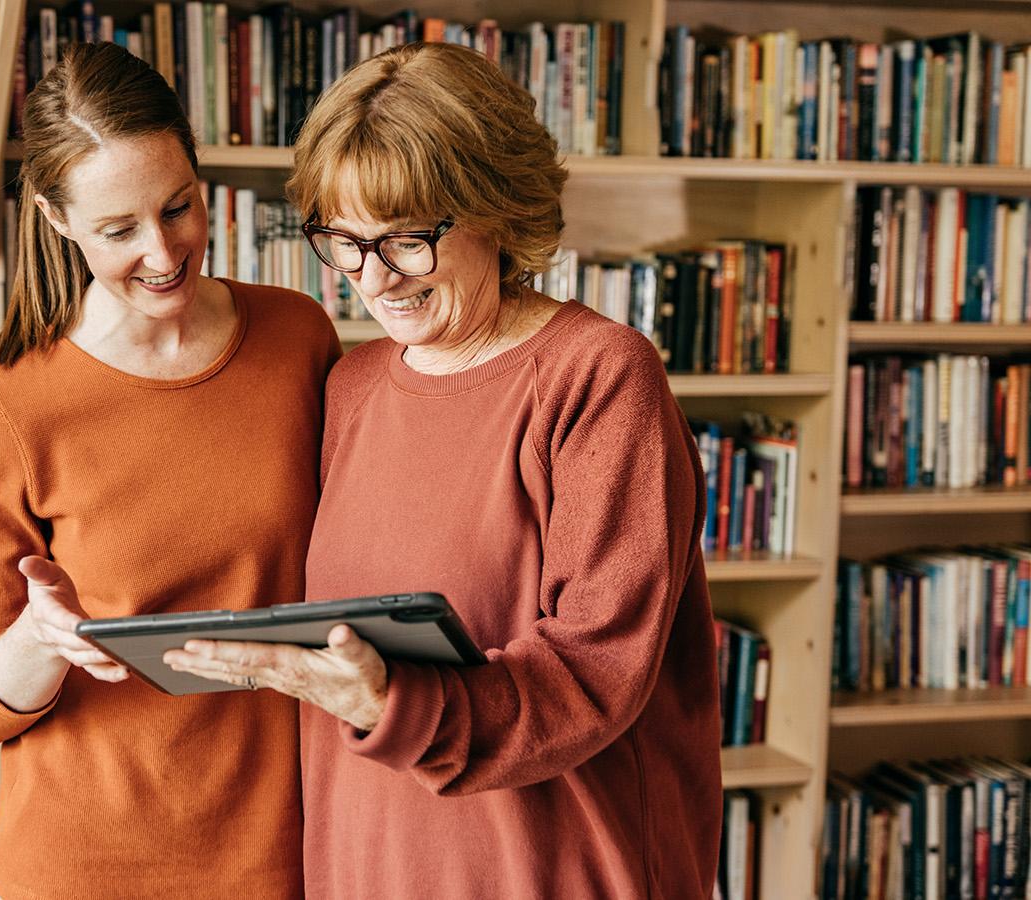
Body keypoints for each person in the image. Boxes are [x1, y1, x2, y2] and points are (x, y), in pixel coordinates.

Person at [164, 42, 722, 898]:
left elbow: (595, 668)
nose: (373, 279)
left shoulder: (600, 375)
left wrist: (392, 705)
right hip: (369, 865)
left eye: (406, 240)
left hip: (548, 869)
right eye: (342, 242)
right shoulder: (349, 388)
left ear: (495, 208)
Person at [0, 42, 339, 900]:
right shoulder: (7, 405)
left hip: (280, 851)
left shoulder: (296, 337)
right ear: (56, 218)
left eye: (179, 208)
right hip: (83, 865)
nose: (163, 253)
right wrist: (39, 639)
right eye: (118, 230)